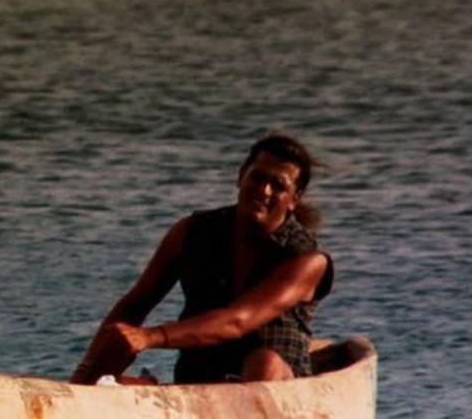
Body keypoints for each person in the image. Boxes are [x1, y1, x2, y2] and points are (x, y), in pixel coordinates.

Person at [70, 134, 333, 385]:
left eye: (278, 186)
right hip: (201, 377)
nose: (264, 190)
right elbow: (136, 304)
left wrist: (149, 337)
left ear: (294, 200)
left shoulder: (306, 259)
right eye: (258, 177)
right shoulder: (192, 231)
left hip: (273, 382)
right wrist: (91, 368)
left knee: (264, 362)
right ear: (241, 177)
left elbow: (237, 321)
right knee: (108, 359)